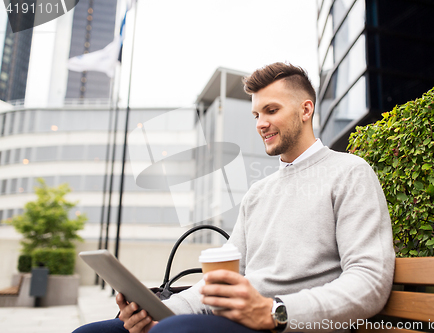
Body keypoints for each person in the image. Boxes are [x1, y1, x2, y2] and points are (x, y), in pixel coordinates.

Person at [74, 62, 395, 333]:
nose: (261, 123)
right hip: (235, 319)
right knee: (92, 332)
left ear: (305, 110)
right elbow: (221, 281)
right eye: (256, 114)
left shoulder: (350, 172)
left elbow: (369, 283)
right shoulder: (258, 193)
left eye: (271, 110)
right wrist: (157, 310)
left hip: (285, 324)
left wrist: (275, 312)